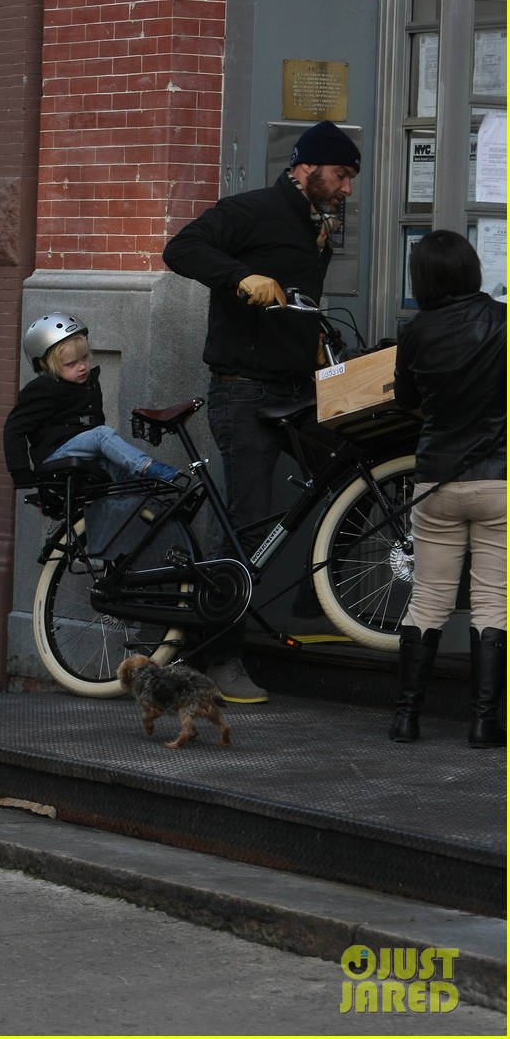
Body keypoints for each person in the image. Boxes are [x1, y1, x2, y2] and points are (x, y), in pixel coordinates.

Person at [162, 120, 362, 702]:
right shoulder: (249, 209)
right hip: (244, 391)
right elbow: (180, 248)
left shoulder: (320, 224)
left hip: (299, 389)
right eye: (341, 175)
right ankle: (217, 657)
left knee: (350, 471)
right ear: (306, 168)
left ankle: (318, 605)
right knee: (246, 520)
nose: (347, 188)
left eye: (351, 179)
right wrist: (240, 274)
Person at [388, 230, 506, 747]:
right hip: (499, 479)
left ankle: (406, 719)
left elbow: (407, 399)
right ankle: (483, 725)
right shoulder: (503, 322)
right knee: (493, 603)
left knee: (428, 600)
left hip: (437, 477)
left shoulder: (415, 332)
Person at [3, 312, 180, 488]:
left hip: (84, 451)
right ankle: (148, 467)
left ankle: (145, 500)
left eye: (84, 358)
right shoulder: (42, 388)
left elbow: (95, 420)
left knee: (118, 472)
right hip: (55, 453)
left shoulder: (90, 384)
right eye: (71, 364)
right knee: (102, 434)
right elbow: (14, 428)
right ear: (50, 366)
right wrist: (20, 472)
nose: (82, 367)